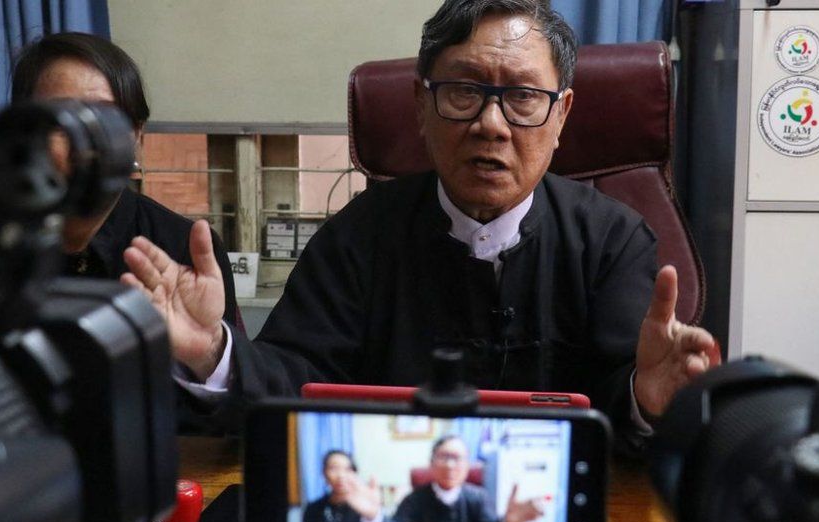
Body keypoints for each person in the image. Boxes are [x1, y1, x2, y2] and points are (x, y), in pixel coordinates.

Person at [120, 0, 718, 449]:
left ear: (560, 115)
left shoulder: (614, 240)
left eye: (524, 98)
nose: (491, 124)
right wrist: (212, 352)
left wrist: (647, 396)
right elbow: (296, 383)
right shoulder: (359, 235)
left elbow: (622, 404)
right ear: (419, 104)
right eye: (463, 92)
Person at [11, 32, 242, 430]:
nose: (85, 142)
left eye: (104, 118)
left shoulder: (183, 247)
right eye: (61, 118)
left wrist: (209, 356)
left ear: (137, 135)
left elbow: (232, 417)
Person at [350, 435, 543, 522]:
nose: (450, 465)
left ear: (467, 466)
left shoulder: (479, 498)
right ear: (431, 464)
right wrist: (375, 517)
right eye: (444, 457)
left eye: (457, 458)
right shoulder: (414, 499)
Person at [301, 450, 372, 522]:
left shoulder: (366, 507)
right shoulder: (313, 509)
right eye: (334, 468)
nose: (341, 475)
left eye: (347, 469)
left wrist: (372, 516)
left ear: (355, 474)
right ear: (324, 473)